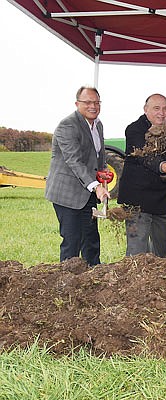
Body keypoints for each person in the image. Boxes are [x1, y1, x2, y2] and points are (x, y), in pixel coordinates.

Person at [117, 93, 166, 258]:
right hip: (137, 201)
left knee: (161, 250)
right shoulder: (134, 130)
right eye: (156, 108)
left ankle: (157, 282)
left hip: (162, 200)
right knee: (138, 251)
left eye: (165, 109)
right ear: (145, 110)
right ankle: (135, 281)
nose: (161, 113)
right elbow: (144, 156)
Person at [45, 86, 110, 266]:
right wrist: (96, 186)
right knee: (72, 241)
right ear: (77, 104)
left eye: (97, 102)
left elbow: (99, 156)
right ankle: (67, 283)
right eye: (87, 102)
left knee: (91, 239)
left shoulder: (98, 125)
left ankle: (94, 277)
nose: (93, 106)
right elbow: (74, 161)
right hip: (67, 194)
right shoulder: (67, 125)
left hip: (87, 192)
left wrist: (103, 176)